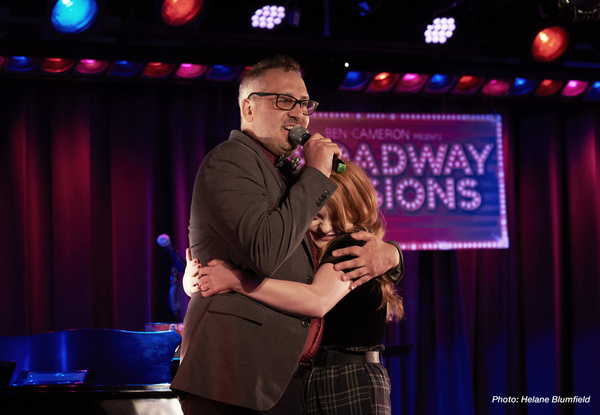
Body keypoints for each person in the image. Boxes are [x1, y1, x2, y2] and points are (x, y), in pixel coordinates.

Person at [170, 55, 403, 415]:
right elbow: (263, 253)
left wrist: (392, 253)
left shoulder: (283, 175)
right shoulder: (231, 161)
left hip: (281, 380)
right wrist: (317, 174)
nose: (299, 114)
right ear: (248, 108)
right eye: (284, 101)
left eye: (305, 104)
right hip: (238, 375)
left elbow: (306, 264)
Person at [186, 161, 404, 414]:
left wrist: (238, 281)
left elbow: (316, 301)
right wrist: (196, 279)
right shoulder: (308, 251)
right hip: (317, 375)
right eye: (316, 216)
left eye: (337, 217)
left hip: (348, 377)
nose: (325, 227)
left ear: (357, 211)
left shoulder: (352, 247)